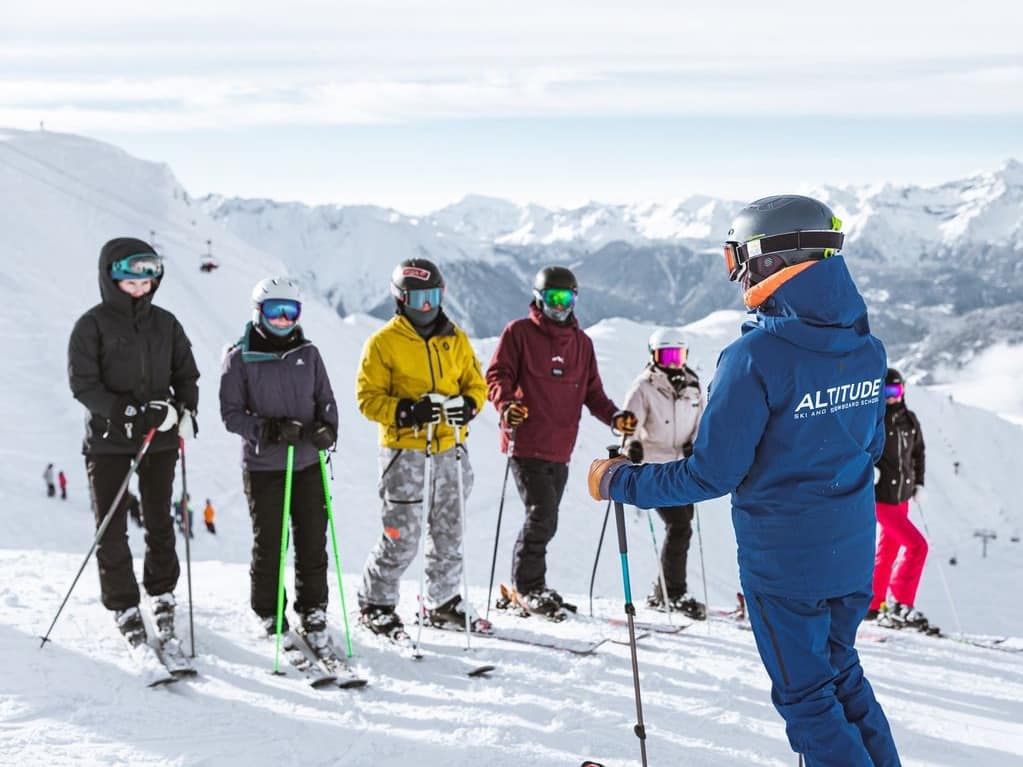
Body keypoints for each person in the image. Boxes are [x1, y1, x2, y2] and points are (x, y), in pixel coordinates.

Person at [588, 196, 900, 766]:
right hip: (851, 555)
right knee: (843, 677)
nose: (736, 275)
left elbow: (711, 473)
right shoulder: (866, 348)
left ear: (771, 259)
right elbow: (871, 448)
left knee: (808, 699)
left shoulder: (754, 357)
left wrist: (621, 482)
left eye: (737, 259)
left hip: (786, 565)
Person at [67, 238, 199, 648]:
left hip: (157, 442)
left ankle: (161, 592)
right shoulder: (91, 326)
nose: (141, 287)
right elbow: (84, 385)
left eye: (149, 277)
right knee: (111, 526)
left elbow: (186, 374)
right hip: (108, 444)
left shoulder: (167, 324)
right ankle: (123, 603)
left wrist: (184, 411)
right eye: (131, 278)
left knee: (160, 520)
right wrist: (125, 412)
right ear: (111, 276)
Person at [486, 265, 636, 617]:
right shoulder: (519, 333)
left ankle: (533, 584)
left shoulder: (581, 344)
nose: (560, 306)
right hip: (524, 442)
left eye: (567, 298)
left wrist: (615, 418)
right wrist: (507, 406)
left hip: (560, 447)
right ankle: (526, 587)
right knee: (542, 516)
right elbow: (497, 374)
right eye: (553, 298)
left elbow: (593, 393)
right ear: (539, 299)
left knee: (546, 518)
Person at [355, 258, 488, 638]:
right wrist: (406, 410)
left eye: (432, 297)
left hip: (451, 449)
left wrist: (469, 404)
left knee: (450, 529)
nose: (426, 307)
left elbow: (475, 384)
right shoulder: (383, 343)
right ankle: (375, 602)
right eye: (417, 298)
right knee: (403, 533)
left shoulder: (455, 338)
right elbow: (367, 399)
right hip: (406, 452)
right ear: (401, 299)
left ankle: (441, 600)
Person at [220, 276, 339, 655]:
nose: (284, 320)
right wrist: (268, 430)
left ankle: (313, 609)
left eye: (292, 312)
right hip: (264, 466)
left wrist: (327, 429)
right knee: (271, 541)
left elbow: (327, 401)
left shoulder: (309, 354)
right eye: (276, 311)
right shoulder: (240, 357)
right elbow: (231, 414)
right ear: (259, 312)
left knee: (312, 540)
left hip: (307, 461)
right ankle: (269, 612)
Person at [622, 328, 706, 620]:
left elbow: (700, 422)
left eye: (678, 355)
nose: (672, 362)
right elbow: (627, 424)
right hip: (655, 468)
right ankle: (672, 592)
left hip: (682, 467)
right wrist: (632, 445)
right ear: (654, 357)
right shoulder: (643, 387)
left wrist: (696, 445)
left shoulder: (693, 386)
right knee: (679, 526)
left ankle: (664, 591)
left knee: (684, 525)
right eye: (666, 356)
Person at [868, 368, 930, 630]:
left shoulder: (910, 420)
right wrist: (870, 468)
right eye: (886, 392)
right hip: (882, 498)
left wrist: (919, 484)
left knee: (888, 550)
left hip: (902, 498)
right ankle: (900, 603)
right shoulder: (874, 420)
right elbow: (859, 449)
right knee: (918, 547)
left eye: (896, 391)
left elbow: (918, 454)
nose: (891, 397)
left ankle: (873, 605)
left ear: (903, 390)